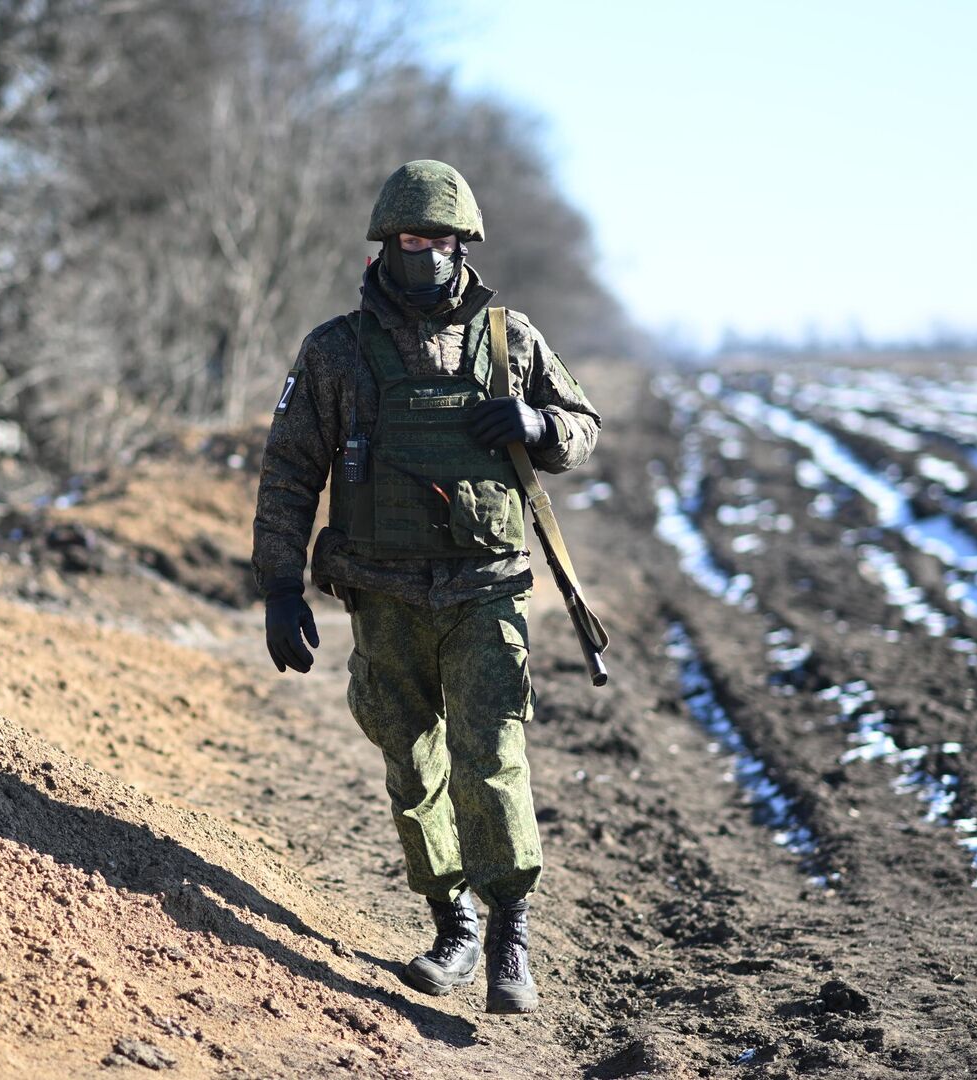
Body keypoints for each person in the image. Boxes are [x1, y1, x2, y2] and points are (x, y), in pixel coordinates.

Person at [251, 159, 601, 1014]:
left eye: (441, 239)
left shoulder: (511, 340)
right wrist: (280, 587)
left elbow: (583, 427)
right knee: (410, 765)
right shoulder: (337, 350)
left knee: (493, 763)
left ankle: (508, 939)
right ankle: (451, 923)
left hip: (486, 593)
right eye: (412, 239)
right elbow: (291, 470)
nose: (427, 253)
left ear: (464, 245)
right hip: (383, 596)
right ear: (385, 245)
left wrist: (538, 424)